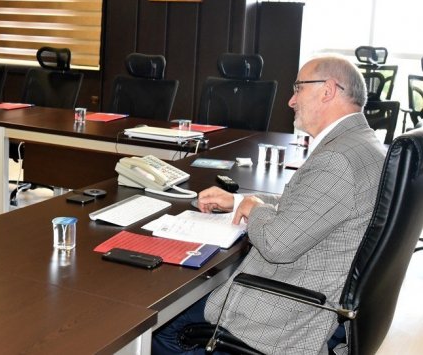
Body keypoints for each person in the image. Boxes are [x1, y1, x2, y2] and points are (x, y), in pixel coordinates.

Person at [153, 56, 386, 354]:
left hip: (291, 315)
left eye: (299, 88)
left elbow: (277, 245)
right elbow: (306, 204)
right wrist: (240, 201)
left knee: (161, 327)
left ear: (328, 90)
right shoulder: (362, 143)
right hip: (322, 300)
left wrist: (255, 208)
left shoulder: (336, 159)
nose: (291, 101)